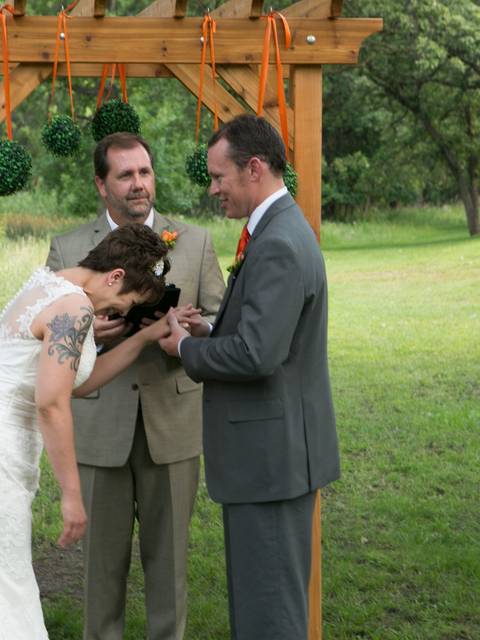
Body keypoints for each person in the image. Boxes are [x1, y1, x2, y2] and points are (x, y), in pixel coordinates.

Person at [0, 224, 173, 640]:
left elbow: (76, 384)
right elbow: (52, 403)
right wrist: (73, 496)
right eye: (125, 301)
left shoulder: (49, 284)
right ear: (115, 276)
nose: (118, 313)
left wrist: (143, 338)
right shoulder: (74, 310)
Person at [158, 115, 340, 639]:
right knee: (263, 604)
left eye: (219, 177)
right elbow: (269, 333)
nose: (213, 188)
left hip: (271, 462)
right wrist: (212, 326)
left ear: (254, 168)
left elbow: (259, 355)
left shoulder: (279, 242)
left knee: (269, 615)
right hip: (271, 459)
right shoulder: (277, 229)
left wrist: (187, 347)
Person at [46, 132, 225, 640]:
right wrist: (87, 334)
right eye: (125, 175)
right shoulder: (68, 248)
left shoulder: (194, 241)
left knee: (169, 565)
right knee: (100, 570)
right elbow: (45, 331)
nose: (138, 184)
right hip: (99, 424)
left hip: (172, 421)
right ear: (101, 185)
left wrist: (197, 331)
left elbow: (220, 316)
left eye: (144, 172)